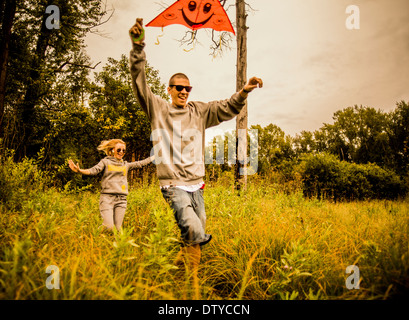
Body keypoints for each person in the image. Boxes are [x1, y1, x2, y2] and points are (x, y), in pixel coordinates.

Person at [128, 18, 263, 280]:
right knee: (192, 228)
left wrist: (245, 91)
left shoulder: (199, 111)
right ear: (169, 90)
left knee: (194, 235)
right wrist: (137, 48)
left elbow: (227, 107)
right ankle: (194, 285)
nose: (184, 91)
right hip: (173, 185)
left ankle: (177, 273)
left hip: (196, 184)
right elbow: (139, 82)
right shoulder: (157, 108)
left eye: (187, 88)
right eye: (179, 87)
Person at [68, 139, 153, 231]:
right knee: (109, 227)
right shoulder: (105, 162)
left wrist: (154, 157)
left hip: (121, 200)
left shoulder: (125, 165)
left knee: (117, 229)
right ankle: (96, 233)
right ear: (112, 150)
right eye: (119, 150)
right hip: (107, 199)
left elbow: (140, 164)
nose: (121, 152)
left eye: (123, 150)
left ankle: (117, 244)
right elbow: (93, 170)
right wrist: (80, 171)